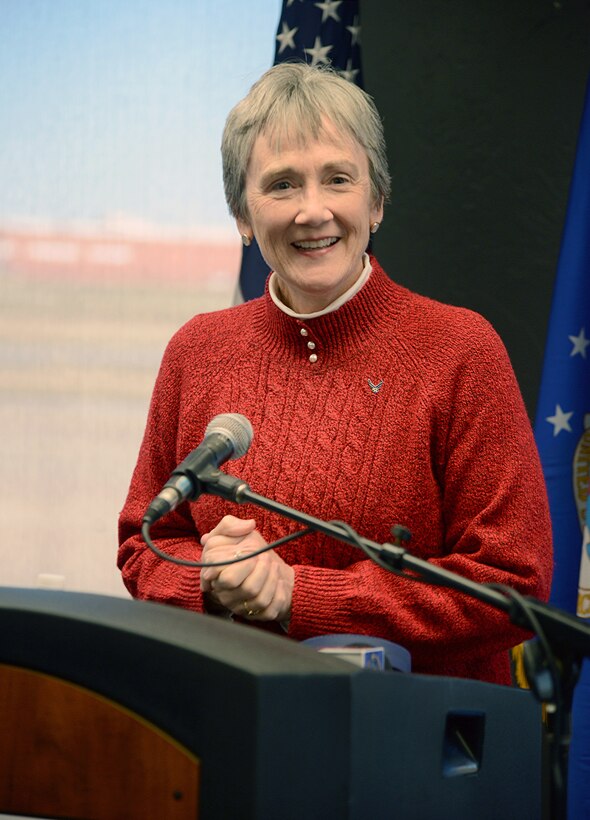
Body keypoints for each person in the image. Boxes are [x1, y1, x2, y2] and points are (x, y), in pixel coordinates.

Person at [118, 61, 552, 685]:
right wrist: (211, 582)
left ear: (376, 201)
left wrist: (301, 596)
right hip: (236, 731)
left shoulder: (460, 349)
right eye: (283, 185)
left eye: (338, 179)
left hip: (421, 749)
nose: (312, 210)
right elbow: (145, 542)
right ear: (242, 215)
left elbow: (516, 580)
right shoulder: (197, 350)